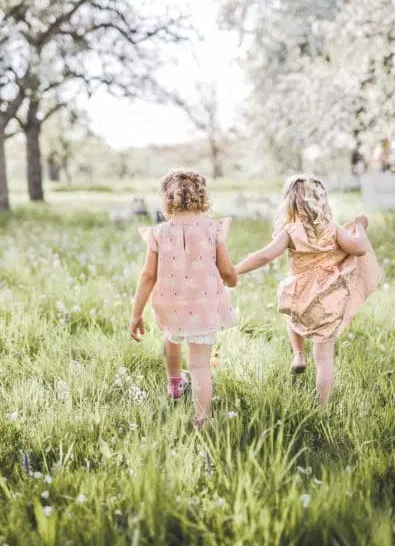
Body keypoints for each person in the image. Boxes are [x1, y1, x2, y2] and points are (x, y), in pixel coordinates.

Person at [234, 174, 381, 406]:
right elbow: (359, 248)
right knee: (324, 359)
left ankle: (298, 354)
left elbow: (265, 255)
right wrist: (360, 226)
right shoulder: (332, 229)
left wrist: (235, 270)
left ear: (289, 203)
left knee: (293, 317)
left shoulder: (290, 231)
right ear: (321, 201)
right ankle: (322, 407)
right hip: (328, 298)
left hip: (298, 295)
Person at [129, 170, 237, 428]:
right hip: (203, 307)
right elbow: (225, 269)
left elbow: (147, 276)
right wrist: (232, 280)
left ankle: (174, 384)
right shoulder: (213, 229)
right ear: (202, 196)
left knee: (172, 338)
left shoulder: (158, 233)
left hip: (170, 305)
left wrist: (136, 313)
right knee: (200, 365)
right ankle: (202, 420)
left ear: (167, 200)